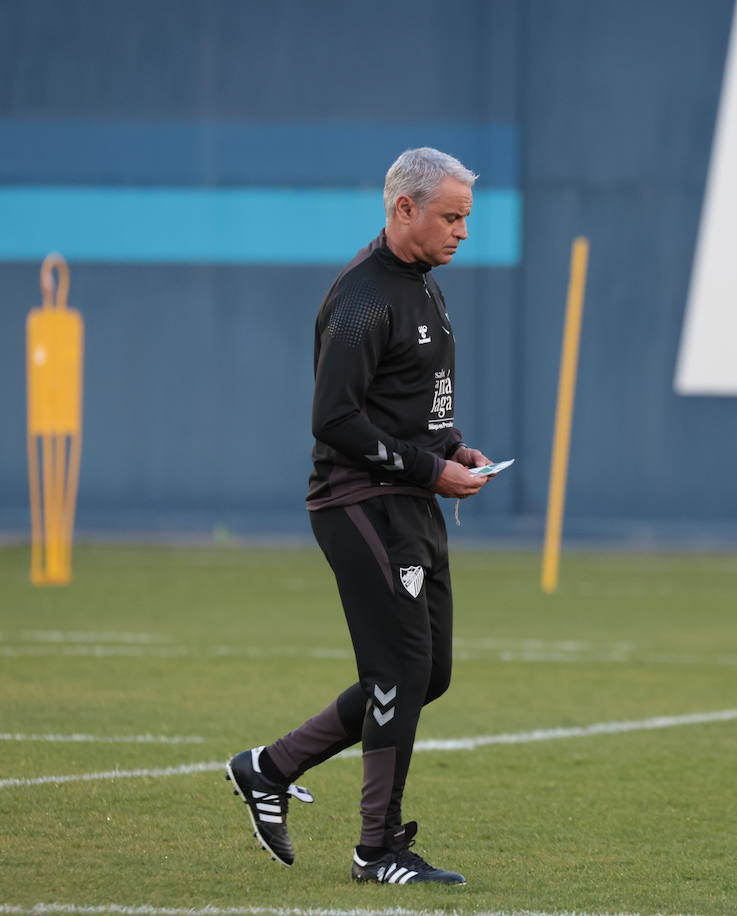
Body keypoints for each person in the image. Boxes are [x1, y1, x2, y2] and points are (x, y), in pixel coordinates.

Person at [225, 147, 493, 886]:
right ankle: (378, 849)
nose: (462, 232)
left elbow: (406, 406)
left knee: (427, 673)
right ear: (403, 209)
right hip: (360, 504)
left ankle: (268, 768)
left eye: (467, 217)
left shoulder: (425, 288)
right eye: (451, 216)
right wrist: (426, 467)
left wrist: (451, 450)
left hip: (408, 499)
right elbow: (334, 420)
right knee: (397, 669)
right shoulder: (363, 297)